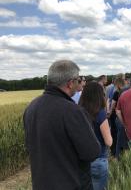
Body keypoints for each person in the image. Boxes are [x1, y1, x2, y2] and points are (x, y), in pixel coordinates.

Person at [23, 60, 101, 190]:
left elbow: (30, 145)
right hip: (72, 184)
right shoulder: (72, 111)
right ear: (70, 83)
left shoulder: (31, 107)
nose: (79, 83)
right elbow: (92, 152)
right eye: (78, 79)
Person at [79, 81, 112, 190]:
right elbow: (108, 142)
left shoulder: (77, 111)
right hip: (98, 159)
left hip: (81, 161)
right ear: (99, 95)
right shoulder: (100, 113)